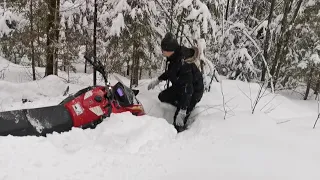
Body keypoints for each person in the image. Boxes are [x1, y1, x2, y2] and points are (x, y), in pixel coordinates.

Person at [147, 32, 204, 132]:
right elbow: (171, 72)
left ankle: (185, 112)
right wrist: (158, 80)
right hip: (180, 87)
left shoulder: (184, 63)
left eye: (163, 50)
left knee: (177, 123)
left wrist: (182, 111)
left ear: (170, 50)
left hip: (193, 92)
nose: (162, 52)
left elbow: (188, 90)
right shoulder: (174, 57)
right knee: (162, 96)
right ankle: (179, 105)